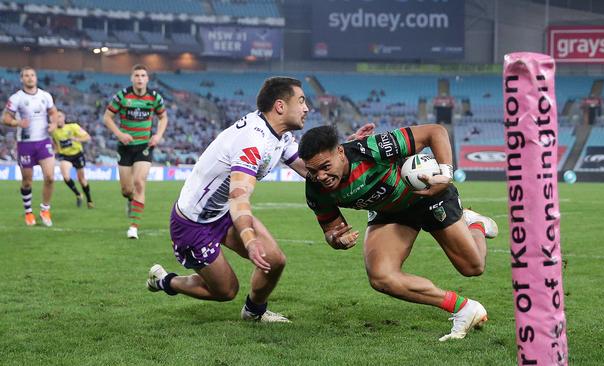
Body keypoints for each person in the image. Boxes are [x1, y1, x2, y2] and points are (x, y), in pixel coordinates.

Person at [146, 77, 374, 322]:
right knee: (226, 290)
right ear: (280, 106)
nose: (307, 108)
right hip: (193, 224)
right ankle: (165, 281)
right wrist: (249, 240)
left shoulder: (278, 136)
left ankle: (253, 312)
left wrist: (344, 151)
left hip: (223, 213)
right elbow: (239, 195)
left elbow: (311, 169)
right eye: (301, 101)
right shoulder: (253, 141)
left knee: (274, 260)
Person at [297, 124, 498, 341]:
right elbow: (332, 229)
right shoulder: (315, 189)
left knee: (473, 267)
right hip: (389, 213)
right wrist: (335, 240)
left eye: (325, 167)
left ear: (340, 152)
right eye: (313, 171)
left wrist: (445, 174)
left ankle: (475, 223)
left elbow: (435, 132)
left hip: (428, 195)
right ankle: (463, 308)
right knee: (381, 276)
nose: (321, 176)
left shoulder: (371, 149)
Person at [103, 64, 168, 239]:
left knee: (139, 182)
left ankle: (133, 227)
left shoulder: (154, 98)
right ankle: (130, 200)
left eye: (143, 75)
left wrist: (158, 135)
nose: (140, 78)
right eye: (137, 75)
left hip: (144, 147)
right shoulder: (122, 96)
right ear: (132, 78)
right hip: (125, 147)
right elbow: (107, 116)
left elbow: (163, 117)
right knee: (126, 189)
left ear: (147, 79)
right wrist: (119, 133)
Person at [1, 66, 58, 226]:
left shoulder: (45, 96)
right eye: (26, 75)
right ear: (22, 79)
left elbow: (53, 112)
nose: (30, 78)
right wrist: (17, 122)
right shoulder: (16, 98)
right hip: (25, 144)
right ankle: (28, 212)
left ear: (36, 78)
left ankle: (45, 209)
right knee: (27, 181)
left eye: (32, 75)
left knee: (50, 177)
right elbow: (5, 118)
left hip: (43, 141)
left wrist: (53, 124)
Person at [51, 110, 94, 208]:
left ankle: (89, 200)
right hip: (65, 156)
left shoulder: (73, 127)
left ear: (64, 118)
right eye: (56, 117)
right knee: (66, 176)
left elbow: (87, 137)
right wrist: (53, 152)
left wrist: (77, 139)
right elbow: (57, 145)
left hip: (77, 154)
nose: (58, 119)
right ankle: (78, 194)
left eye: (60, 116)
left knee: (81, 179)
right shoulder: (53, 131)